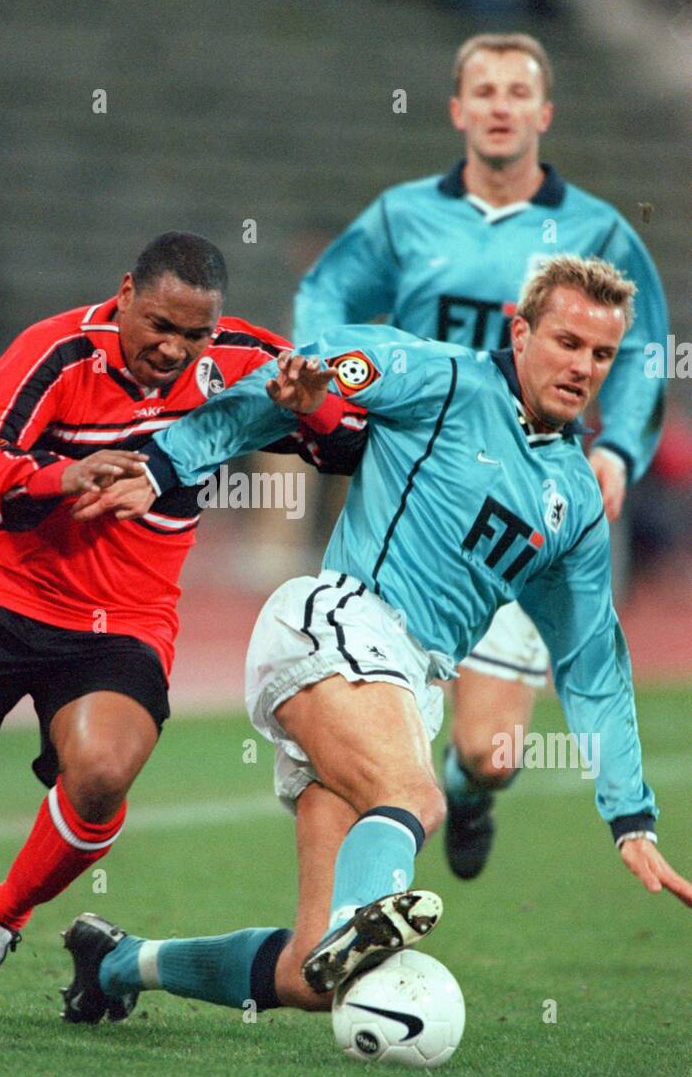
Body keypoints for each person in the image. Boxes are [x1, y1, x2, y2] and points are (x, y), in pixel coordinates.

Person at [58, 254, 691, 1026]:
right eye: (566, 342)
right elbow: (307, 373)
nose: (582, 366)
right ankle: (366, 921)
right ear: (520, 332)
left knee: (311, 975)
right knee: (413, 798)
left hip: (408, 685)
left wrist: (631, 817)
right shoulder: (443, 377)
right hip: (339, 622)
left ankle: (118, 963)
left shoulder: (575, 501)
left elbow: (593, 658)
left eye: (601, 354)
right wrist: (166, 464)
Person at [0, 232, 364, 1003]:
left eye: (194, 334)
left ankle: (2, 916)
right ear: (126, 291)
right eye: (160, 327)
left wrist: (322, 416)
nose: (174, 349)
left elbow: (356, 443)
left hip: (124, 613)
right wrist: (58, 475)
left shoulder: (248, 359)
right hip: (0, 590)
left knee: (103, 772)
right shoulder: (57, 352)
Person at [292, 31, 669, 882]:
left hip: (521, 505)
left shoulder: (598, 231)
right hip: (417, 492)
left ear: (543, 112)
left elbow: (645, 348)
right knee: (380, 751)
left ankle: (464, 792)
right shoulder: (402, 216)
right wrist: (317, 378)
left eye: (516, 91)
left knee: (492, 754)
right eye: (485, 90)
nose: (501, 105)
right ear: (460, 110)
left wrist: (617, 453)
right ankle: (351, 885)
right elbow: (327, 292)